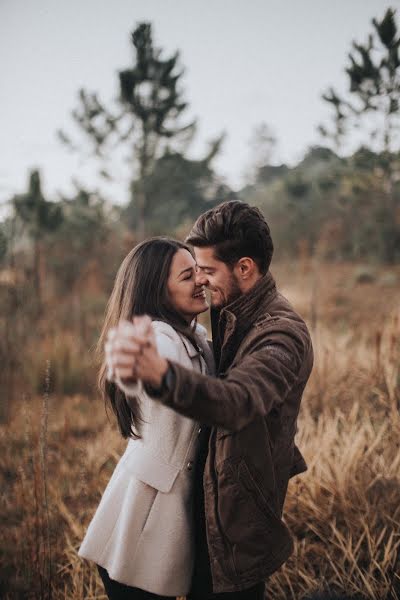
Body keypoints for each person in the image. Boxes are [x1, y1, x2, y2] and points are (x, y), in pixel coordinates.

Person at [106, 200, 315, 599]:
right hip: (207, 508)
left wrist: (163, 376)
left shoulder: (282, 335)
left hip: (239, 523)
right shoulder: (228, 306)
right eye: (194, 271)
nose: (200, 280)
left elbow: (237, 401)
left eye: (207, 270)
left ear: (245, 268)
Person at [78, 237, 216, 599]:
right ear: (157, 291)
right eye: (188, 276)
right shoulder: (157, 337)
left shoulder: (196, 337)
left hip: (164, 521)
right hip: (138, 524)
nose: (201, 280)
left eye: (200, 270)